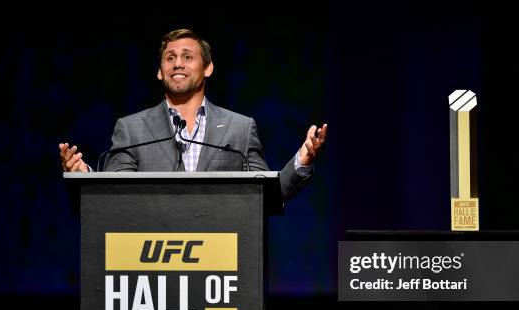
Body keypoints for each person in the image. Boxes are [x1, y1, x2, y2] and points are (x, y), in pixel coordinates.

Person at [59, 28, 327, 202]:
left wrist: (302, 160)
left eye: (188, 57)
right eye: (170, 58)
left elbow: (266, 196)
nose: (177, 63)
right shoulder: (131, 129)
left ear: (208, 68)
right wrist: (85, 178)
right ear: (159, 72)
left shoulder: (239, 128)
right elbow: (113, 198)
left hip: (222, 267)